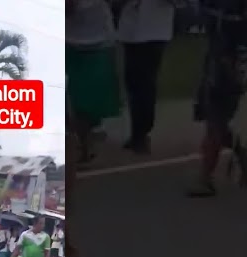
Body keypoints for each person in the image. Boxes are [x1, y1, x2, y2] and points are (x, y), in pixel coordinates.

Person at [188, 0, 247, 197]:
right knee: (210, 115)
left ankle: (206, 178)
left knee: (215, 121)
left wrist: (236, 71)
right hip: (215, 59)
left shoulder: (243, 11)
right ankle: (242, 150)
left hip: (232, 62)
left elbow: (243, 39)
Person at [116, 0, 174, 154]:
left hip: (155, 31)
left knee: (145, 83)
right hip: (131, 29)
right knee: (133, 83)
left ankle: (142, 132)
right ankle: (137, 132)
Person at [71, 0, 120, 165]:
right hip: (68, 40)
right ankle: (83, 142)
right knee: (72, 98)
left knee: (88, 99)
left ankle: (86, 142)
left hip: (98, 42)